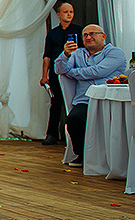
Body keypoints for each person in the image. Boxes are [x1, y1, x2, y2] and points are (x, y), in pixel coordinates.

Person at [54, 24, 128, 167]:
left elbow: (97, 71)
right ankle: (82, 154)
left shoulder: (115, 52)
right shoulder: (77, 53)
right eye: (85, 35)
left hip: (108, 100)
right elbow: (59, 69)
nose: (88, 37)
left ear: (103, 36)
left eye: (92, 33)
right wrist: (65, 55)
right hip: (85, 99)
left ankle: (113, 158)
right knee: (73, 120)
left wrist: (72, 72)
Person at [40, 2, 78, 146]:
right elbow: (47, 55)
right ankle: (52, 135)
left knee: (74, 103)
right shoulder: (52, 33)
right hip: (55, 74)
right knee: (55, 104)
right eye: (66, 11)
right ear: (59, 14)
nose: (69, 14)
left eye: (71, 11)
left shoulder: (79, 31)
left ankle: (73, 137)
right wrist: (44, 76)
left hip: (74, 73)